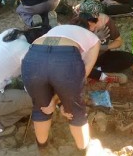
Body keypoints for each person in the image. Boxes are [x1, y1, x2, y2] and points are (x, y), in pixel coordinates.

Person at [21, 23, 101, 154]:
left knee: (41, 108)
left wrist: (53, 101)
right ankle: (83, 151)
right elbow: (81, 76)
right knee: (75, 111)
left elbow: (49, 66)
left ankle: (42, 149)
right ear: (91, 29)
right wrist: (64, 101)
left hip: (33, 56)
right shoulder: (93, 40)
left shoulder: (57, 29)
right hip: (65, 58)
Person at [77, 0, 133, 83]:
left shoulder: (105, 21)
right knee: (73, 63)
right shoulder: (77, 23)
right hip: (84, 57)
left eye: (93, 21)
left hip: (101, 56)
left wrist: (105, 47)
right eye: (88, 24)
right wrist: (95, 39)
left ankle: (94, 71)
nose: (92, 27)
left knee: (129, 58)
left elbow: (118, 41)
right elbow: (76, 50)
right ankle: (95, 74)